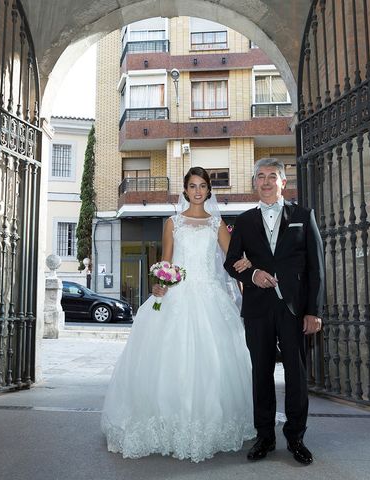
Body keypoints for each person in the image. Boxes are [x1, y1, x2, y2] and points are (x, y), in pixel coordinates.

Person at [101, 167, 257, 462]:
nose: (198, 191)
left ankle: (211, 423)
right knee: (167, 359)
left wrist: (248, 277)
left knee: (212, 362)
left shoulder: (217, 224)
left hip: (210, 296)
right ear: (185, 190)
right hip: (177, 295)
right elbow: (165, 260)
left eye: (203, 185)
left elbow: (231, 259)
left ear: (209, 190)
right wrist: (159, 285)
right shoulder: (172, 222)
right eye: (192, 186)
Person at [224, 158, 324, 466]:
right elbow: (231, 262)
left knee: (296, 376)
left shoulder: (303, 216)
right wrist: (252, 275)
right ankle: (264, 436)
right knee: (261, 375)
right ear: (254, 182)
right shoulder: (242, 221)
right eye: (261, 177)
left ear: (283, 182)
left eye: (272, 176)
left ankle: (296, 436)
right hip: (257, 309)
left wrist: (313, 311)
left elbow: (316, 267)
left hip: (294, 310)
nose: (266, 182)